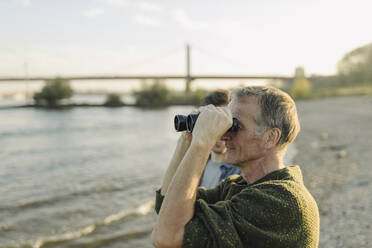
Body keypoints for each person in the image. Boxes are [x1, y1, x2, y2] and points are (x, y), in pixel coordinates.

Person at [152, 86, 320, 248]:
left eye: (234, 126)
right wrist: (188, 137)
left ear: (270, 137)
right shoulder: (238, 185)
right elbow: (166, 206)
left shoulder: (281, 200)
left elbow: (167, 237)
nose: (224, 135)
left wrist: (202, 142)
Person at [199, 90, 241, 189]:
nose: (219, 134)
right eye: (212, 123)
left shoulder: (240, 172)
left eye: (224, 124)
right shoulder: (198, 164)